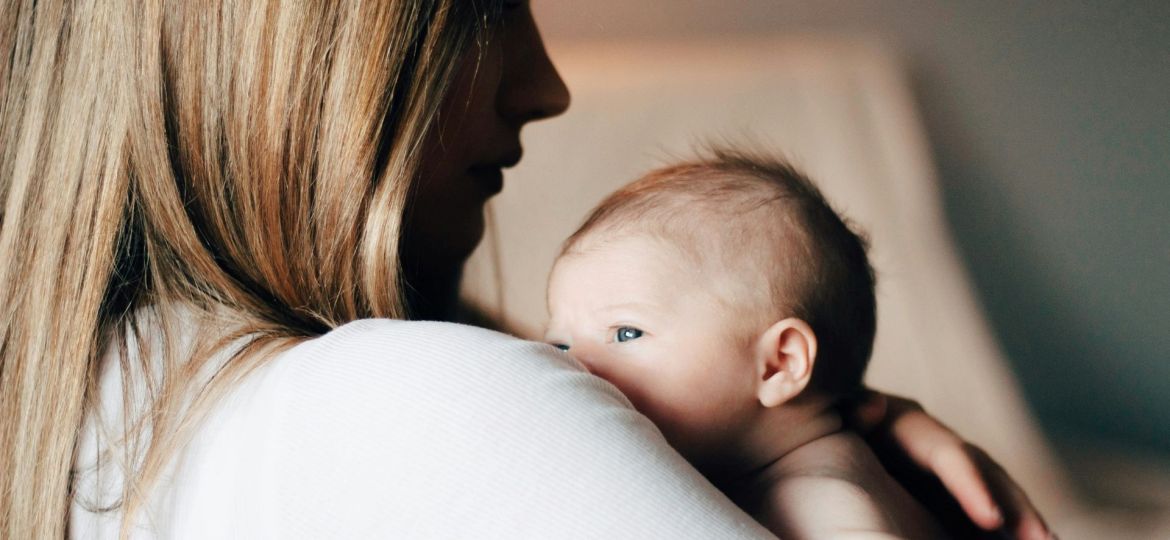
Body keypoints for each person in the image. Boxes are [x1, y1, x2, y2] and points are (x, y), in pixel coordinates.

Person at [0, 1, 1051, 538]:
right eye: (486, 5)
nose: (546, 85)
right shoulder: (411, 396)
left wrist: (835, 420)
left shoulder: (88, 409)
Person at [546, 149, 941, 538]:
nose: (575, 365)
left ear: (778, 364)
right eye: (560, 345)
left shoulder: (820, 500)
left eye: (626, 333)